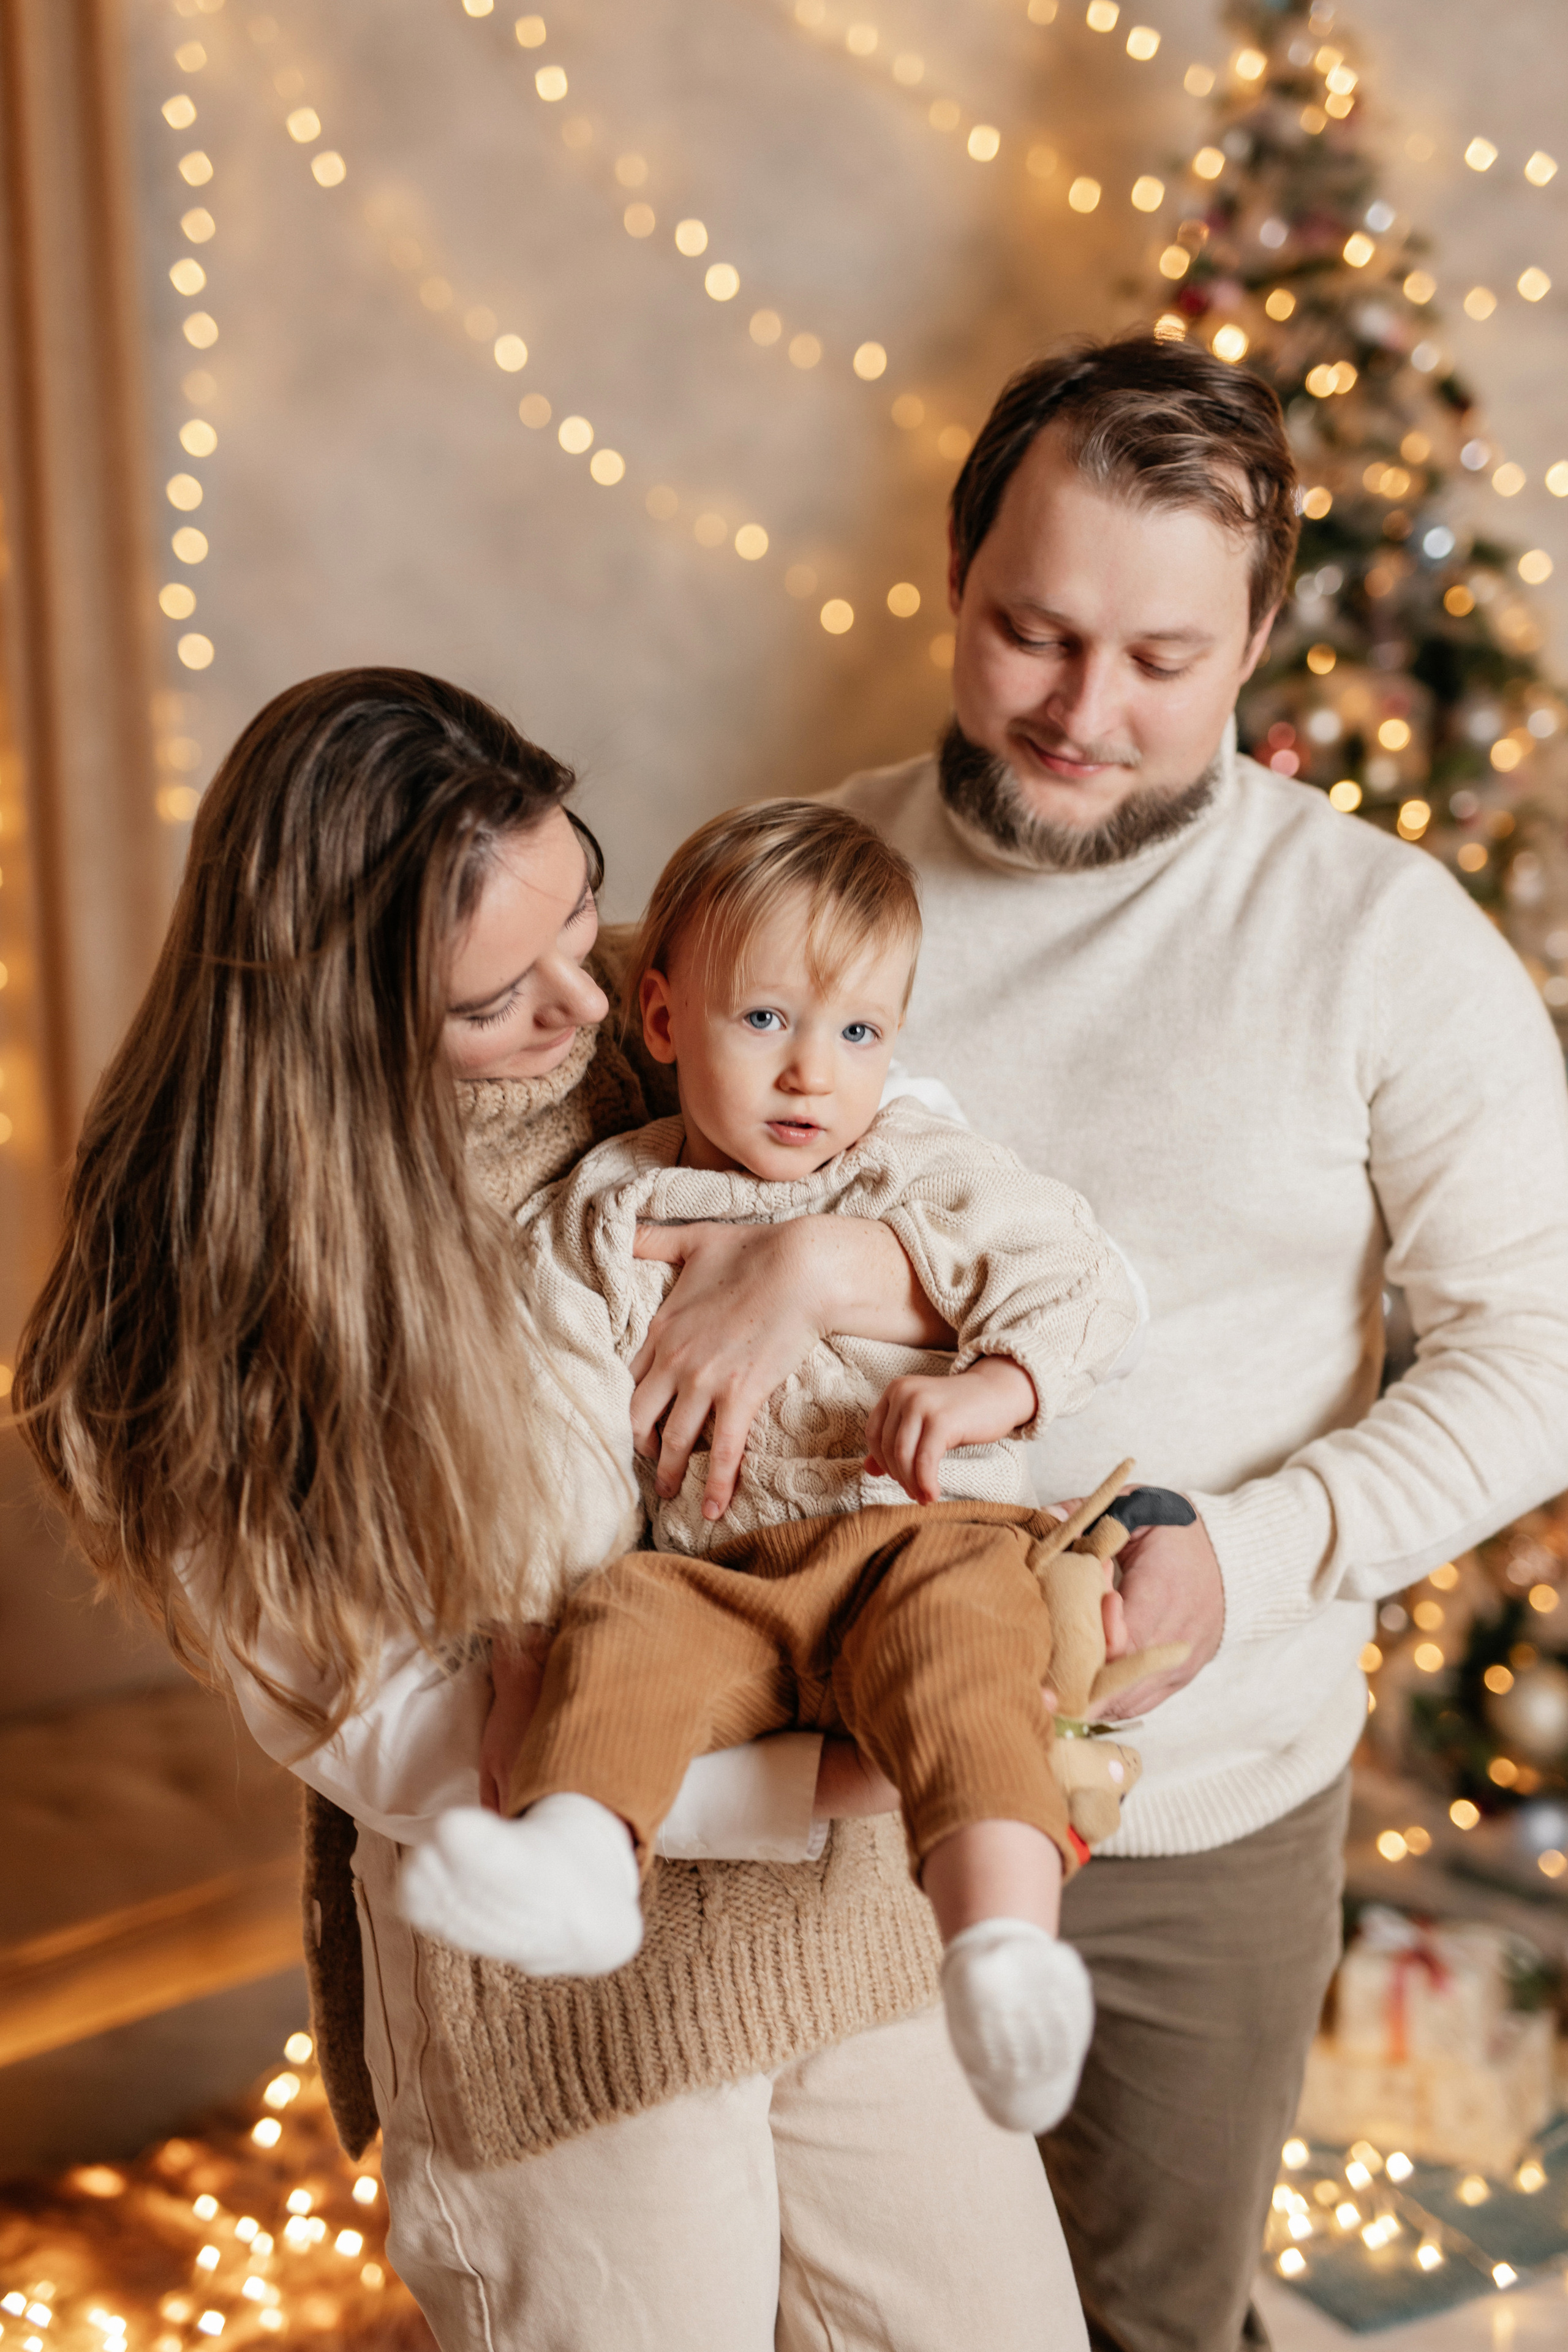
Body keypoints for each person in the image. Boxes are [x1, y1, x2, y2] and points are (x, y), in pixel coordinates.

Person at [14, 668, 1091, 2352]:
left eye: (586, 912)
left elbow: (944, 1179)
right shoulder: (233, 1292)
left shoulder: (698, 1000)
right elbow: (396, 1732)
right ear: (336, 1013)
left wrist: (816, 1269)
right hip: (566, 2029)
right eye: (496, 999)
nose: (585, 1008)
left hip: (853, 1942)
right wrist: (839, 1773)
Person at [816, 333, 1568, 2350]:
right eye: (1032, 635)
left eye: (1160, 661)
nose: (1079, 714)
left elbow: (1541, 1350)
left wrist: (1258, 1555)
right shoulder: (798, 891)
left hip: (1197, 1813)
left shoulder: (1381, 942)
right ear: (955, 577)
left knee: (1144, 2317)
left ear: (1257, 637)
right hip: (809, 1803)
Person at [398, 797, 1150, 2136]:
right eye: (765, 1023)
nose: (813, 1075)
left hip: (913, 1538)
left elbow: (1082, 1279)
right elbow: (550, 1411)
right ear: (663, 1021)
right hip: (721, 1574)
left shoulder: (915, 1164)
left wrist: (995, 1379)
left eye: (857, 1034)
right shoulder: (612, 1207)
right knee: (618, 1621)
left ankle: (1003, 1952)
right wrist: (533, 1619)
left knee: (968, 1663)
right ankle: (577, 1861)